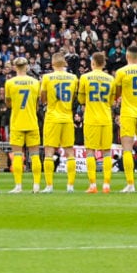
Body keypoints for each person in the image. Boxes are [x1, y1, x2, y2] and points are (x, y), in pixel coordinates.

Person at [112, 46, 137, 193]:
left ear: (127, 56)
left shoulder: (121, 72)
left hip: (128, 114)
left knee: (127, 150)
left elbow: (117, 93)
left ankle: (130, 184)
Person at [39, 54, 79, 193]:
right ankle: (70, 186)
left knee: (49, 152)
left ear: (52, 63)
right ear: (65, 64)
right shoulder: (73, 78)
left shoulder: (47, 78)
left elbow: (43, 98)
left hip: (52, 118)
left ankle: (49, 186)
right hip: (67, 117)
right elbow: (74, 96)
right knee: (69, 152)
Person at [77, 52, 115, 194]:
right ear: (104, 64)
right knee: (106, 153)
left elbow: (81, 100)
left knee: (90, 152)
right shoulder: (111, 79)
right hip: (106, 119)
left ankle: (93, 185)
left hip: (91, 119)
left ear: (92, 63)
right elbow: (111, 101)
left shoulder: (85, 78)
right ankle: (106, 185)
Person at [4, 57, 42, 194]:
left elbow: (8, 104)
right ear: (26, 67)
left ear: (15, 67)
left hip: (17, 122)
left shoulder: (9, 83)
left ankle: (18, 186)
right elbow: (38, 103)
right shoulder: (35, 82)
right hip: (32, 121)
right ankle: (36, 185)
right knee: (35, 155)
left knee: (18, 155)